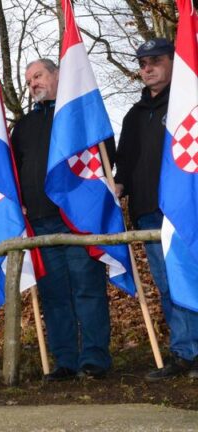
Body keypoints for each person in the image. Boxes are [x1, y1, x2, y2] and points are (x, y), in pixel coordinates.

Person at [11, 59, 116, 381]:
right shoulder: (24, 126)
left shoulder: (78, 114)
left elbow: (106, 154)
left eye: (38, 76)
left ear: (57, 75)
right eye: (28, 81)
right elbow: (14, 170)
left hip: (78, 219)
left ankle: (95, 359)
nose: (33, 85)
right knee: (55, 296)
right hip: (41, 224)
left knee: (87, 289)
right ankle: (66, 361)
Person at [115, 38, 198, 380]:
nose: (147, 68)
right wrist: (117, 188)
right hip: (149, 212)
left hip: (185, 210)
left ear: (173, 63)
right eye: (142, 63)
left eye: (155, 61)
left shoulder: (188, 105)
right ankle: (185, 353)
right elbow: (125, 166)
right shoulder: (134, 116)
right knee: (168, 285)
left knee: (191, 278)